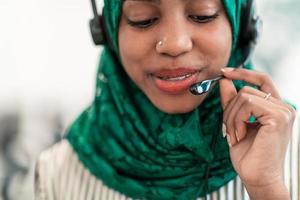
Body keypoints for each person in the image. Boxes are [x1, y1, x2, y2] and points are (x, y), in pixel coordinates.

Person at [35, 0, 298, 199]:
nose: (174, 44)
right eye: (143, 19)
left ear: (242, 24)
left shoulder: (294, 153)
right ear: (108, 30)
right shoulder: (55, 175)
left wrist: (267, 188)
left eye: (202, 15)